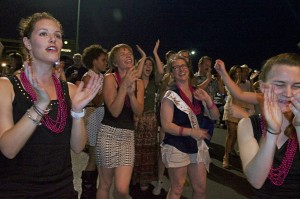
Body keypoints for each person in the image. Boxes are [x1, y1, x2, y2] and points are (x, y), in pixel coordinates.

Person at [0, 12, 102, 198]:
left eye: (57, 35)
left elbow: (78, 148)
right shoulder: (6, 87)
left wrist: (78, 112)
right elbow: (8, 149)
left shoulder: (69, 90)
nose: (52, 39)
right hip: (17, 191)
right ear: (28, 43)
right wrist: (40, 104)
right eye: (43, 34)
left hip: (62, 189)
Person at [214, 53, 300, 198]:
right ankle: (226, 157)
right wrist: (272, 133)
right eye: (279, 84)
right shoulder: (248, 125)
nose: (288, 93)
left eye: (297, 85)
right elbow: (256, 181)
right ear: (262, 87)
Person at [160, 54, 220, 199]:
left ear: (189, 69)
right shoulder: (170, 95)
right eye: (176, 68)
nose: (181, 70)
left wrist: (207, 100)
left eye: (183, 66)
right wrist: (191, 131)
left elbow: (215, 116)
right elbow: (166, 125)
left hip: (196, 146)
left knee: (200, 188)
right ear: (172, 73)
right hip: (176, 144)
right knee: (177, 188)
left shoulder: (197, 92)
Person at [95, 44, 144, 199]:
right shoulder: (109, 79)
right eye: (122, 54)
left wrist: (131, 94)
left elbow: (139, 111)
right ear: (115, 62)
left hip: (127, 136)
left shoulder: (139, 82)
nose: (128, 55)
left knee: (123, 189)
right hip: (108, 134)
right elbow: (115, 111)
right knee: (105, 183)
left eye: (129, 53)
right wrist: (123, 87)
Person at [132, 40, 164, 191]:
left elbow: (161, 72)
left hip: (150, 120)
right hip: (135, 119)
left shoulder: (154, 82)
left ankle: (145, 179)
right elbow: (137, 74)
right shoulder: (136, 80)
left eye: (150, 66)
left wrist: (155, 53)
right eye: (145, 64)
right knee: (135, 150)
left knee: (149, 151)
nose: (148, 67)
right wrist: (144, 56)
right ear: (140, 65)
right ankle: (133, 177)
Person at [80, 44, 107, 199]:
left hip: (100, 115)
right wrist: (109, 91)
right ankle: (87, 193)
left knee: (98, 156)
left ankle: (91, 191)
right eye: (103, 60)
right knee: (94, 156)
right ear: (94, 61)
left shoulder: (100, 76)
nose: (105, 63)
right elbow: (96, 101)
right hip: (93, 115)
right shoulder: (88, 77)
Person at [221, 65, 254, 168]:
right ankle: (226, 156)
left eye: (241, 72)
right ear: (233, 73)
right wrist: (238, 81)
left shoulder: (247, 83)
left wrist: (251, 81)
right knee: (231, 132)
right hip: (231, 108)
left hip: (242, 110)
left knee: (237, 133)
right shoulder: (229, 81)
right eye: (237, 72)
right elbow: (232, 92)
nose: (240, 74)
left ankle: (231, 148)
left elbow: (252, 94)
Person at [194, 56, 225, 144]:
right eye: (206, 65)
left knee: (207, 139)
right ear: (199, 65)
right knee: (196, 140)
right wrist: (208, 80)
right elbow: (196, 91)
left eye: (209, 65)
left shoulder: (213, 80)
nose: (208, 68)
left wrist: (219, 80)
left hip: (210, 113)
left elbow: (222, 92)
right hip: (198, 113)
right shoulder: (194, 77)